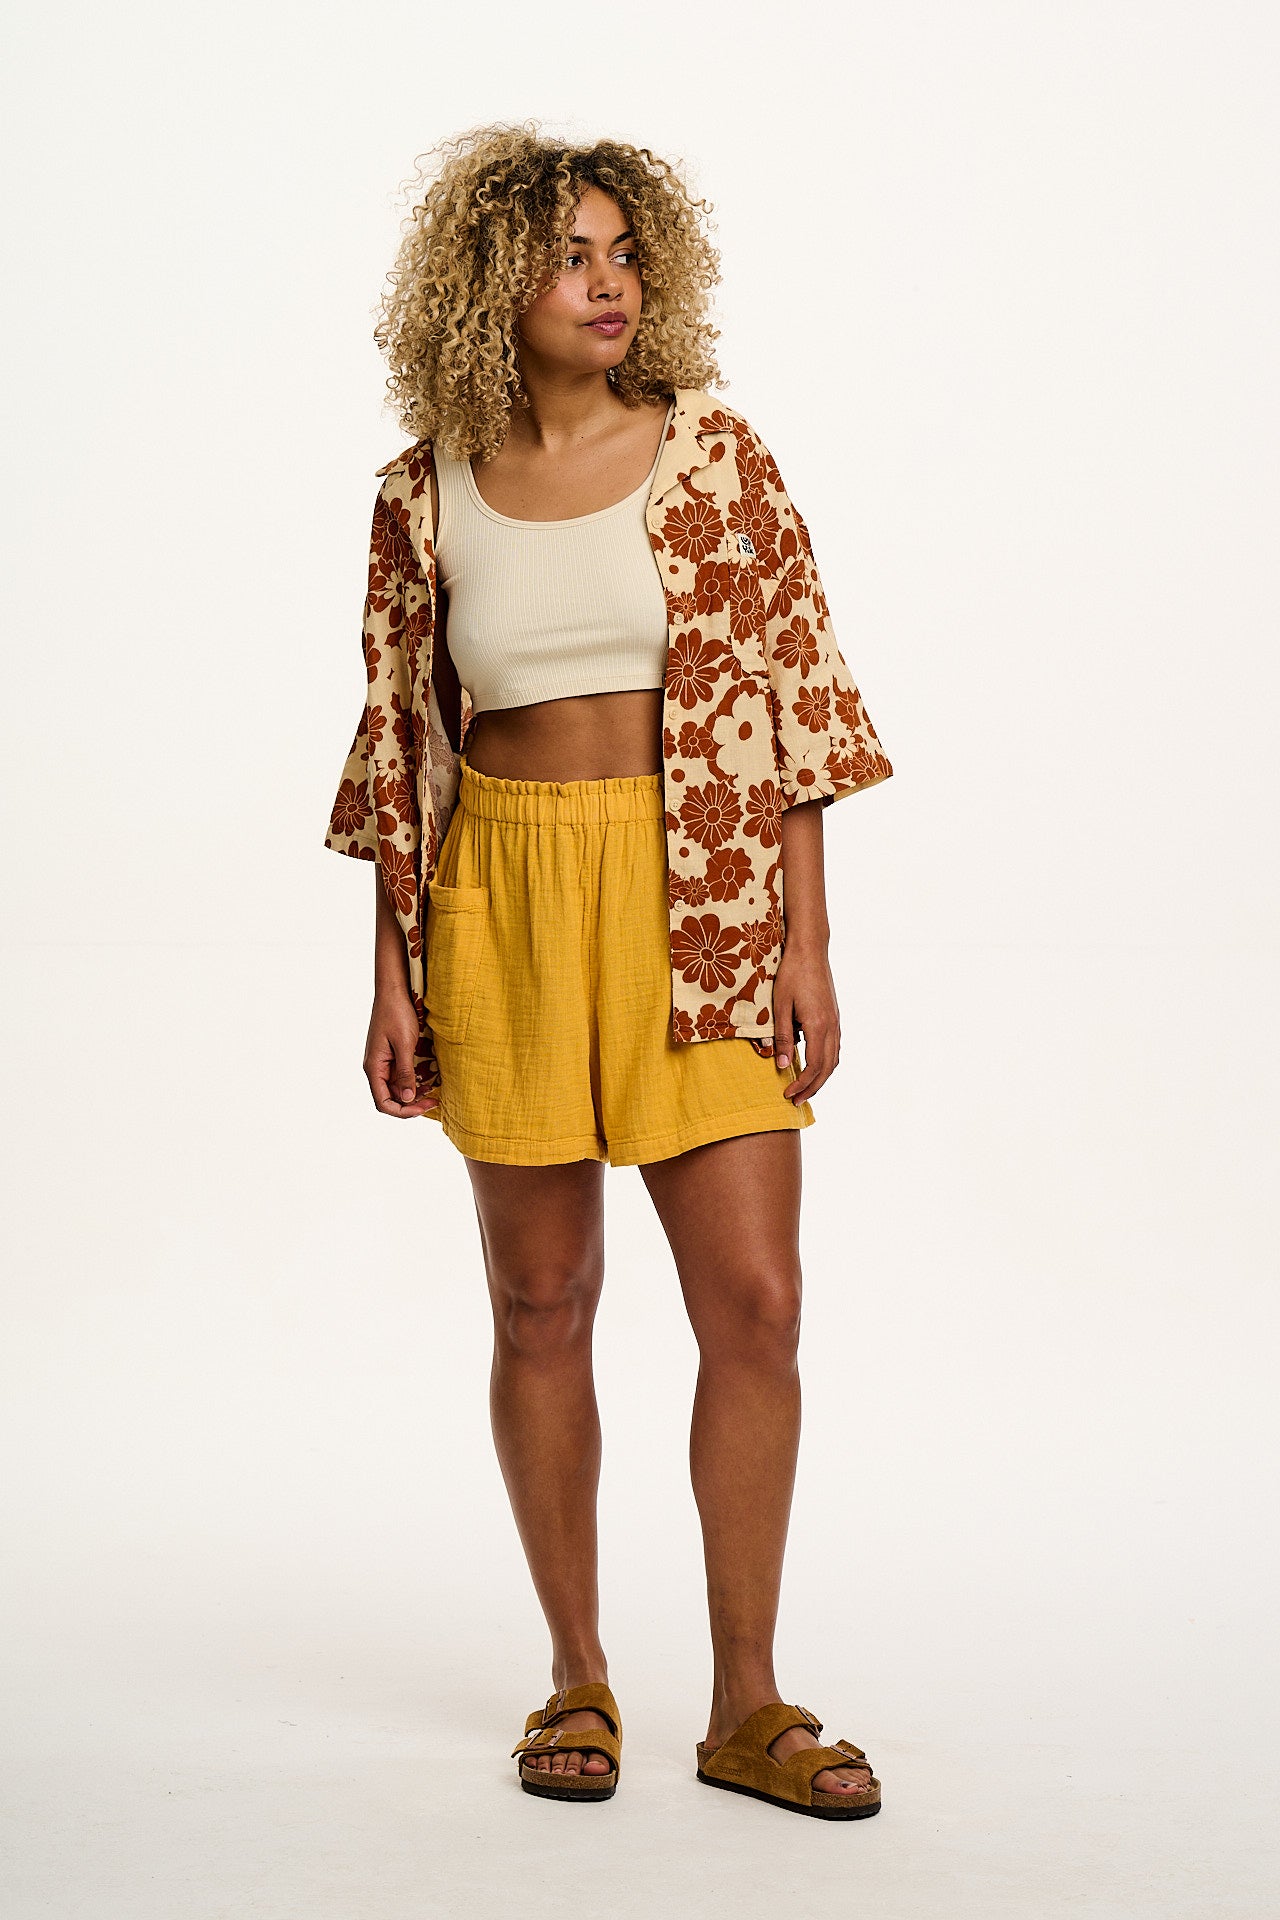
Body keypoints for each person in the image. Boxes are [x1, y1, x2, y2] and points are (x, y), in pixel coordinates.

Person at [325, 123, 894, 1818]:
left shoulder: (715, 455)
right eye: (570, 256)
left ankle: (748, 1703)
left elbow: (797, 700)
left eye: (624, 252)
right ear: (491, 284)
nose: (608, 281)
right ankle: (575, 1674)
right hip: (501, 894)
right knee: (541, 1299)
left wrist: (806, 937)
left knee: (758, 1303)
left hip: (699, 889)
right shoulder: (420, 493)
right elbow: (400, 750)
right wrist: (393, 975)